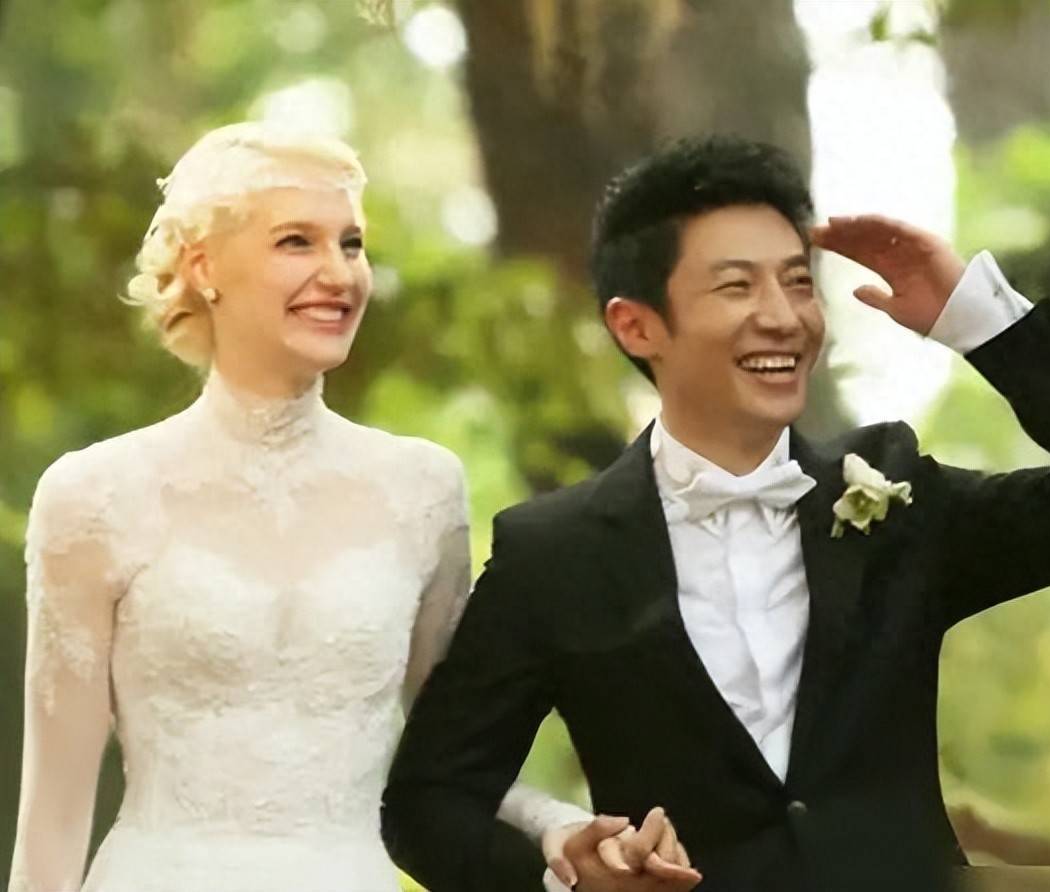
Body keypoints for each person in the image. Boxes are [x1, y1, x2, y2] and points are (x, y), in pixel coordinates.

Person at [384, 136, 1050, 892]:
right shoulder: (551, 553)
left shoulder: (899, 498)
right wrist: (568, 876)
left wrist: (980, 319)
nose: (784, 316)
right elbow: (429, 801)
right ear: (636, 324)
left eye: (798, 282)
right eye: (738, 286)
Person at [6, 122, 608, 892]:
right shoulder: (93, 495)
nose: (339, 274)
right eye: (297, 242)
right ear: (204, 266)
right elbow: (53, 822)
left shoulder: (423, 489)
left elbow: (453, 760)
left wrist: (557, 823)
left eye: (351, 244)